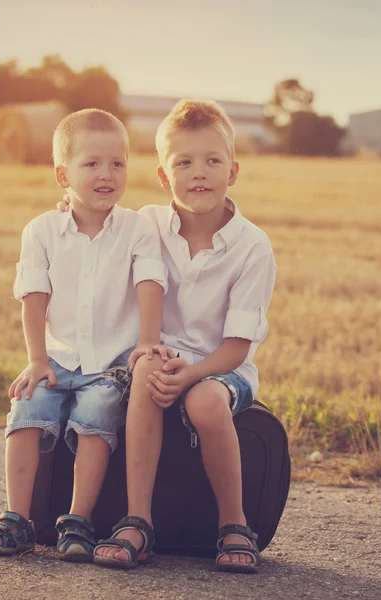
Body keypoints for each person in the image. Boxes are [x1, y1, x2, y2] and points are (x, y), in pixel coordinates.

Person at [90, 99, 276, 573]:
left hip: (221, 367)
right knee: (150, 366)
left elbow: (237, 347)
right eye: (184, 162)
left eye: (213, 161)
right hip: (161, 353)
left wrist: (193, 373)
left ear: (233, 171)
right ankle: (138, 521)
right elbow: (94, 221)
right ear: (162, 174)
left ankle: (234, 524)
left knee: (205, 403)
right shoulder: (145, 224)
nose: (200, 172)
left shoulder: (252, 246)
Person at [0, 108, 167, 562]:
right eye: (92, 164)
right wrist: (37, 359)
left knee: (97, 409)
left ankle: (77, 521)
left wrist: (147, 342)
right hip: (57, 357)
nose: (107, 174)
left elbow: (150, 285)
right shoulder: (41, 231)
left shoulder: (138, 229)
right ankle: (16, 519)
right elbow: (34, 297)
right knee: (28, 403)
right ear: (63, 174)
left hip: (111, 365)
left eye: (117, 163)